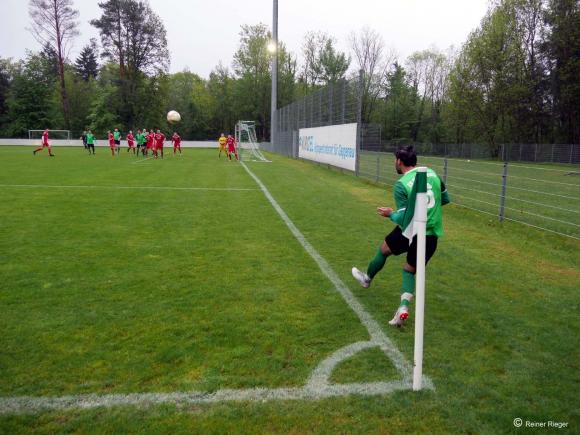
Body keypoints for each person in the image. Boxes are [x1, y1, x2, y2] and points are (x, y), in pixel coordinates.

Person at [351, 146, 450, 327]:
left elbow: (404, 218)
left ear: (399, 162)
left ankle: (367, 279)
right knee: (409, 270)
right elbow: (445, 199)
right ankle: (403, 308)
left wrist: (390, 214)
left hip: (411, 229)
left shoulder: (401, 184)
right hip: (430, 234)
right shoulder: (433, 174)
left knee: (384, 250)